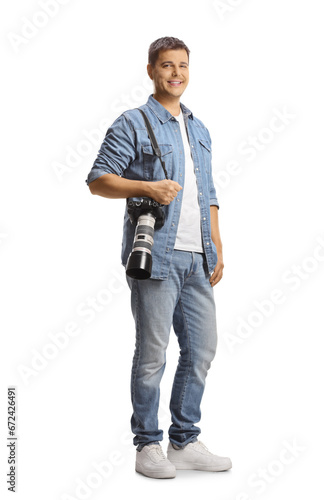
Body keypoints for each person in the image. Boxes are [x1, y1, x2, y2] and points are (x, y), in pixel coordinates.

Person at [86, 36, 232, 479]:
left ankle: (184, 440)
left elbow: (208, 192)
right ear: (151, 70)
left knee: (202, 349)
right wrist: (146, 188)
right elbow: (98, 180)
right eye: (167, 65)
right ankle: (148, 444)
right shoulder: (133, 122)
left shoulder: (199, 128)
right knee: (152, 353)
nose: (176, 73)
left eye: (183, 65)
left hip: (198, 256)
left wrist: (218, 243)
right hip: (157, 258)